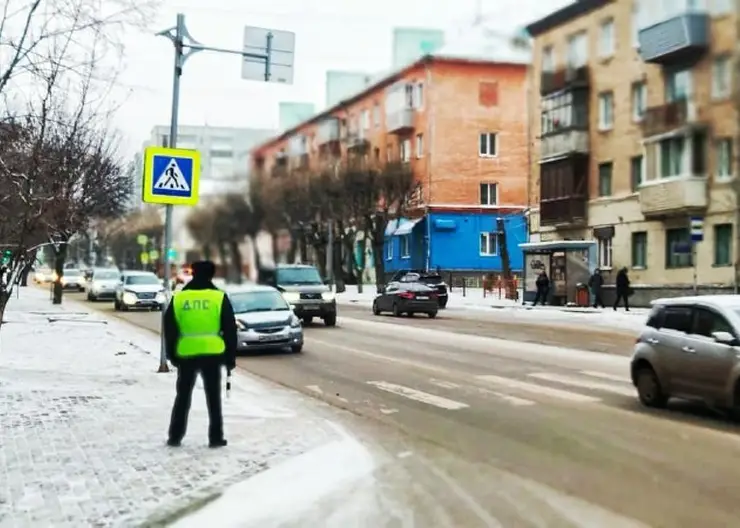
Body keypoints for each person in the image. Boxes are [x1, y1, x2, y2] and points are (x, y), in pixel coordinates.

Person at [164, 260, 238, 448]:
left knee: (182, 397)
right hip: (213, 353)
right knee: (213, 398)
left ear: (194, 273)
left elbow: (169, 328)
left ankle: (175, 436)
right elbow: (230, 329)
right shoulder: (219, 297)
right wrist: (230, 358)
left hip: (186, 353)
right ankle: (215, 437)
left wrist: (171, 354)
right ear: (211, 275)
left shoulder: (179, 298)